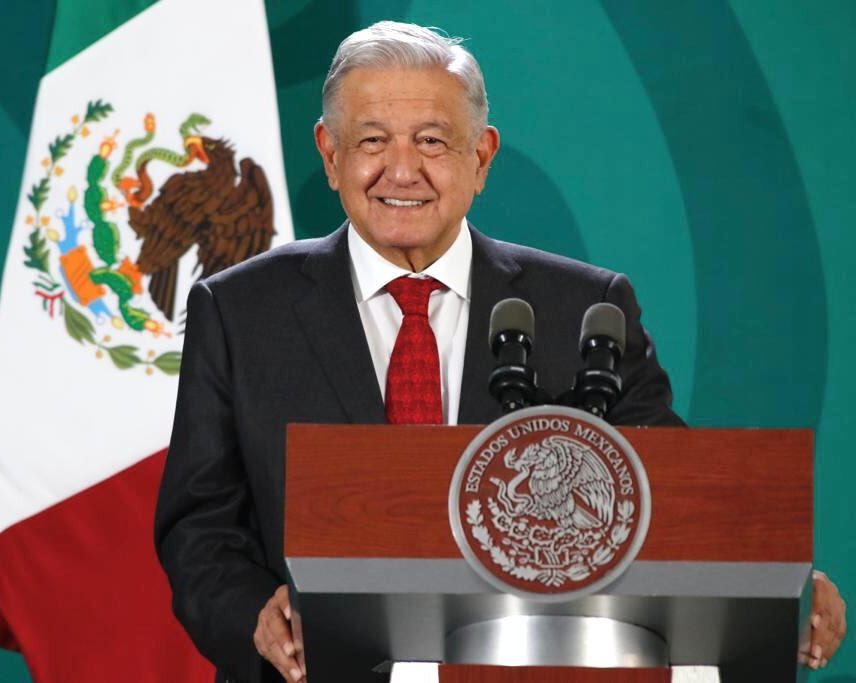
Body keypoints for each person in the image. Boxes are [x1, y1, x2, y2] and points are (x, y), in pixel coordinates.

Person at [154, 21, 846, 683]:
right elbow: (200, 522)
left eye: (432, 140)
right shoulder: (240, 310)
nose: (402, 169)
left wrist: (775, 581)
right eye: (372, 140)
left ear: (481, 156)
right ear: (330, 155)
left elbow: (664, 502)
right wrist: (253, 613)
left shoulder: (588, 310)